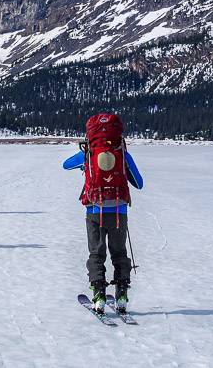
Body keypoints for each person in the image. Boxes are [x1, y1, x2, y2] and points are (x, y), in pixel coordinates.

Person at [62, 113, 143, 314]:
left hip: (94, 211)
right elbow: (139, 183)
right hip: (119, 211)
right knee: (119, 252)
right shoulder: (122, 154)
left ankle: (98, 295)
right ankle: (122, 295)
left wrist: (87, 160)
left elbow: (65, 165)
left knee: (96, 253)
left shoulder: (89, 153)